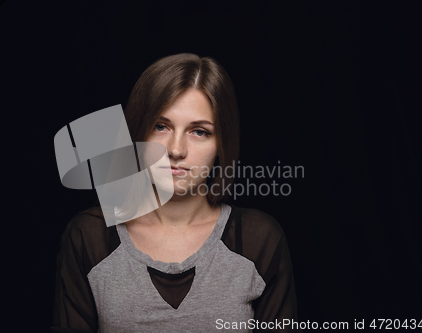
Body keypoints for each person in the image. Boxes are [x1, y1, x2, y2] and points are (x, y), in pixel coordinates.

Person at [51, 53, 300, 332]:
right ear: (138, 133)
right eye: (161, 126)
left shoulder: (259, 239)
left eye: (199, 132)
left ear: (223, 143)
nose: (176, 150)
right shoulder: (90, 236)